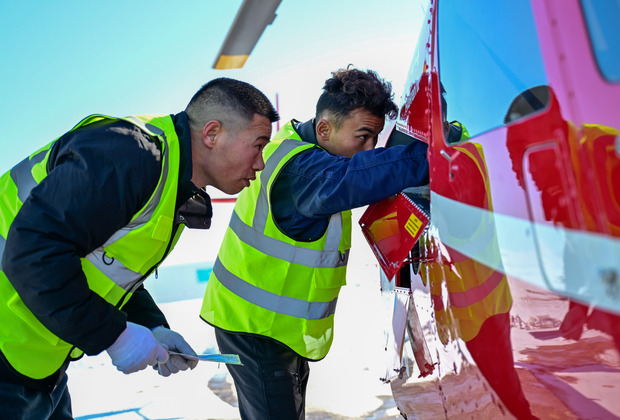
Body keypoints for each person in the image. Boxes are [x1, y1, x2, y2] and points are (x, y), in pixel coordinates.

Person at [0, 77, 279, 419]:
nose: (261, 162)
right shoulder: (129, 155)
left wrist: (152, 326)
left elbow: (111, 271)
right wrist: (113, 335)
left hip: (37, 361)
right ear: (212, 134)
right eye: (258, 144)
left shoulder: (168, 177)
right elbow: (32, 253)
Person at [200, 67, 430, 419]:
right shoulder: (304, 171)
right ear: (324, 129)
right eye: (363, 137)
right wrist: (432, 155)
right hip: (257, 329)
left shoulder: (293, 148)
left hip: (263, 324)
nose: (369, 149)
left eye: (376, 139)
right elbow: (359, 177)